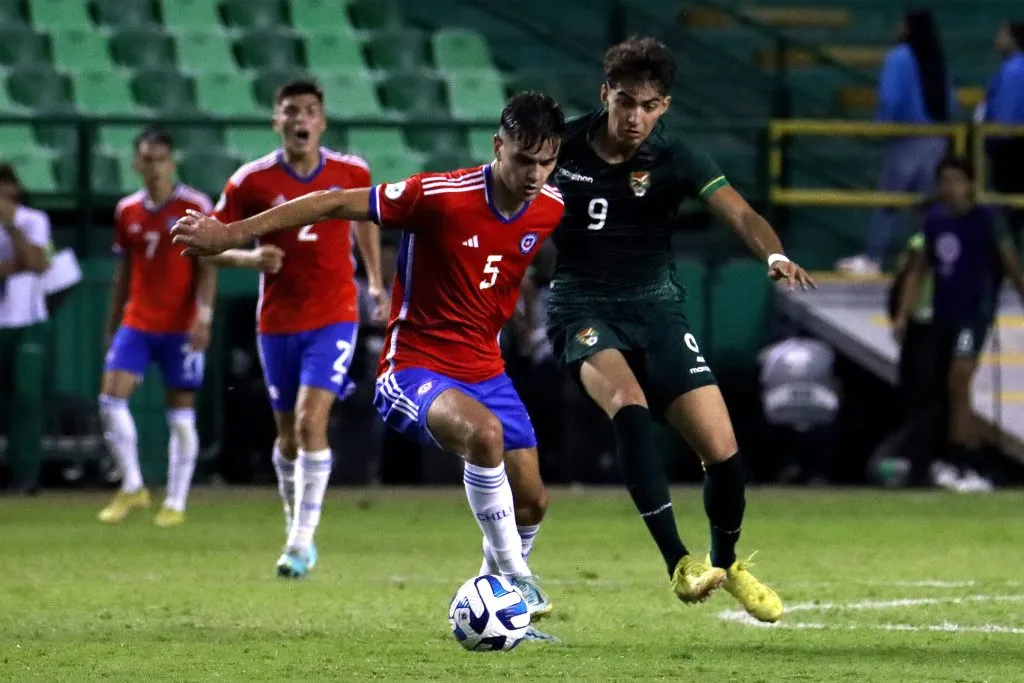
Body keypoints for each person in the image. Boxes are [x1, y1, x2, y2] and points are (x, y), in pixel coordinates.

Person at [172, 92, 565, 631]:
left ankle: (502, 611)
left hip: (487, 370)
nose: (534, 174)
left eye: (546, 162)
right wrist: (232, 235)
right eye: (523, 159)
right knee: (485, 437)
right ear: (499, 146)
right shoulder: (438, 195)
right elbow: (334, 202)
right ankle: (518, 579)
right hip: (415, 366)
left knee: (533, 502)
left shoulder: (551, 207)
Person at [539, 36, 813, 623]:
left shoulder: (677, 158)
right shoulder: (561, 148)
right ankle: (679, 562)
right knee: (629, 408)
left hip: (657, 308)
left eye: (649, 105)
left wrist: (772, 256)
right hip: (581, 305)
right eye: (625, 102)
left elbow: (740, 212)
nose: (635, 116)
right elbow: (507, 200)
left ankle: (727, 562)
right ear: (604, 94)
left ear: (664, 106)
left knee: (725, 459)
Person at [210, 79, 388, 578]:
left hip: (333, 315)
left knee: (313, 423)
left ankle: (301, 542)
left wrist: (374, 282)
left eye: (309, 111)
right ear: (277, 121)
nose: (300, 119)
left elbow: (367, 223)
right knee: (288, 437)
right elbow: (211, 241)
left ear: (322, 121)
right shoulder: (251, 181)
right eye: (291, 111)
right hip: (278, 321)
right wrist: (249, 257)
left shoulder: (351, 172)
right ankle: (296, 528)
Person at [97, 129, 283, 526]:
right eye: (147, 159)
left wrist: (203, 317)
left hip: (179, 325)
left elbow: (207, 264)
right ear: (136, 163)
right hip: (138, 320)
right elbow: (124, 270)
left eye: (161, 159)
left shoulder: (193, 205)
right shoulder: (127, 210)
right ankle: (133, 486)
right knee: (111, 399)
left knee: (180, 413)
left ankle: (176, 501)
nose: (154, 167)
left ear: (172, 162)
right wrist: (112, 322)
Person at [895, 157, 1024, 493]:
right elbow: (919, 269)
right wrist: (903, 315)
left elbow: (1011, 264)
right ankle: (963, 457)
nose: (949, 188)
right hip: (944, 313)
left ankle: (961, 460)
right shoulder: (935, 221)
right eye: (944, 181)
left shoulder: (987, 221)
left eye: (955, 180)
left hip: (974, 312)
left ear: (970, 185)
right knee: (950, 388)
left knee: (959, 379)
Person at [837, 9, 954, 275]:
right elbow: (951, 102)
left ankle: (873, 257)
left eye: (901, 23)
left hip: (907, 139)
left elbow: (890, 99)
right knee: (927, 206)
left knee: (887, 200)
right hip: (937, 140)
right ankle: (930, 259)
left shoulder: (899, 57)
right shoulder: (935, 58)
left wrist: (879, 127)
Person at [0, 163, 52, 493]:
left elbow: (37, 262)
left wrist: (11, 226)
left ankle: (26, 475)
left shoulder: (34, 220)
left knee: (26, 400)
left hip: (26, 322)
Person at [984, 21, 1024, 245]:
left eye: (1002, 34)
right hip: (1013, 146)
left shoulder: (1014, 70)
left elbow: (1003, 120)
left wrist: (992, 144)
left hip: (1011, 150)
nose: (997, 39)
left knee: (1007, 214)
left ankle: (1006, 269)